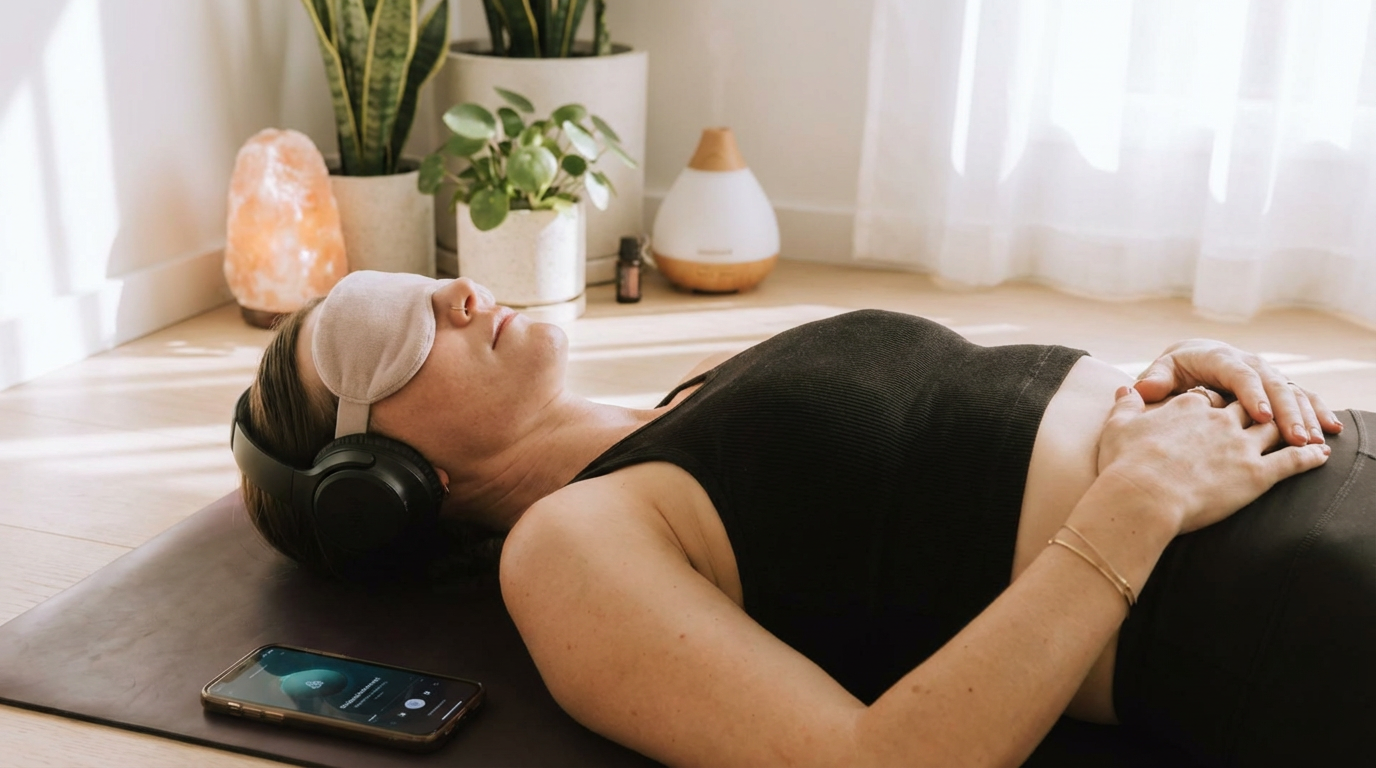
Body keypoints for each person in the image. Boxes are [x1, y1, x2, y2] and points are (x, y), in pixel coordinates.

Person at [233, 270, 1371, 767]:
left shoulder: (693, 391)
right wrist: (1137, 497)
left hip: (1322, 440)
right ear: (372, 482)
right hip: (1290, 597)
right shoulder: (570, 544)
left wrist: (1164, 377)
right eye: (386, 336)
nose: (457, 292)